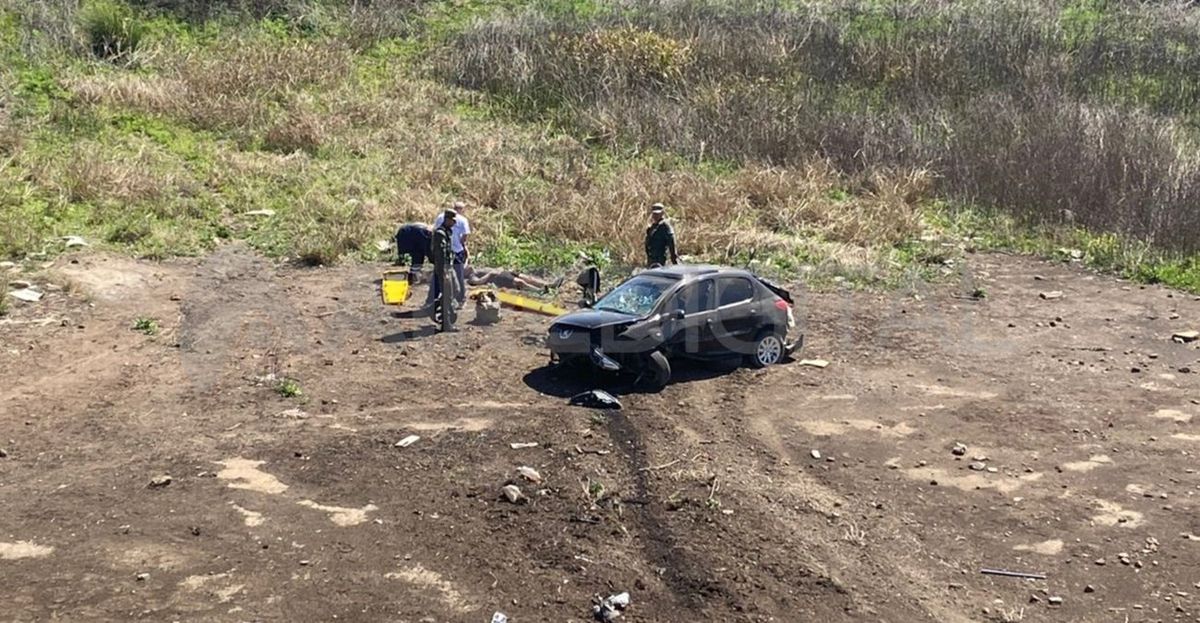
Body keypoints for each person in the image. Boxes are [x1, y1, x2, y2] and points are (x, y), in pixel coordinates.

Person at [432, 200, 471, 308]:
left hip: (450, 255)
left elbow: (433, 231)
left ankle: (435, 299)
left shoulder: (441, 219)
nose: (454, 223)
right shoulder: (462, 220)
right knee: (457, 277)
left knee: (446, 281)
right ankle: (457, 301)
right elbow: (464, 237)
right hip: (452, 255)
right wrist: (465, 248)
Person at [429, 210, 457, 312]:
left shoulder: (448, 232)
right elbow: (440, 255)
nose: (454, 223)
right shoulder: (440, 234)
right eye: (453, 221)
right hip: (444, 268)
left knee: (455, 289)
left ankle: (439, 305)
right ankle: (446, 322)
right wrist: (444, 271)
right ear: (447, 220)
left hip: (449, 267)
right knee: (447, 294)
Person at [465, 265, 564, 293]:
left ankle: (550, 284)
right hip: (498, 278)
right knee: (520, 282)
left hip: (502, 272)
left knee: (527, 277)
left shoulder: (478, 268)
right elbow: (478, 282)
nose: (468, 266)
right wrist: (491, 273)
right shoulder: (472, 276)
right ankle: (539, 290)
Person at [644, 202, 679, 268]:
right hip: (652, 260)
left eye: (657, 214)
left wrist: (674, 260)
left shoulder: (665, 226)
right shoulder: (653, 227)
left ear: (662, 213)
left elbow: (671, 242)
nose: (655, 216)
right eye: (654, 214)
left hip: (662, 260)